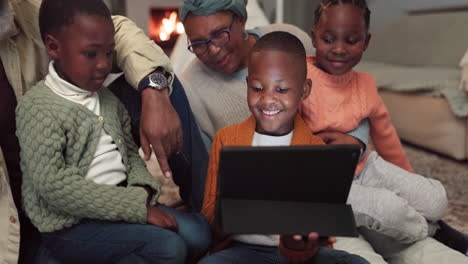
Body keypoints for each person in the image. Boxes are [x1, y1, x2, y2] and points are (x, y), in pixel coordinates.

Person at [178, 0, 386, 262]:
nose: (268, 100)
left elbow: (318, 232)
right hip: (243, 250)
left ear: (305, 91)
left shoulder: (316, 150)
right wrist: (233, 205)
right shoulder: (226, 137)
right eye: (257, 88)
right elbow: (210, 216)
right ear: (247, 85)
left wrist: (296, 242)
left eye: (282, 90)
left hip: (298, 255)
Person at [14, 0, 211, 263]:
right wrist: (137, 208)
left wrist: (142, 191)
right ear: (53, 46)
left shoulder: (106, 99)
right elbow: (54, 187)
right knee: (168, 248)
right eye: (91, 54)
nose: (104, 65)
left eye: (109, 53)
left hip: (122, 204)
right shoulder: (37, 108)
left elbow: (129, 155)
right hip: (73, 225)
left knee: (199, 235)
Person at [302, 1, 467, 263]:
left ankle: (432, 222)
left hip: (368, 168)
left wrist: (406, 180)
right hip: (329, 183)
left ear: (366, 42)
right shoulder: (299, 76)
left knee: (435, 199)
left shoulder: (366, 84)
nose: (339, 49)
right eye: (329, 39)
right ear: (313, 37)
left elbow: (386, 135)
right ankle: (431, 231)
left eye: (352, 40)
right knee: (390, 211)